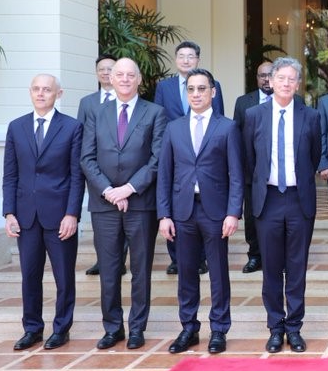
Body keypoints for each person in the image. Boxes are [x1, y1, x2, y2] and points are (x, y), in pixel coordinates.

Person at [81, 58, 167, 350]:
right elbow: (87, 157)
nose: (125, 79)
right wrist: (109, 191)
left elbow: (157, 160)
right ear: (111, 79)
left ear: (139, 79)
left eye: (131, 75)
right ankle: (113, 327)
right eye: (120, 74)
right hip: (104, 204)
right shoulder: (96, 112)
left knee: (140, 269)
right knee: (109, 268)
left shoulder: (155, 112)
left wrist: (129, 189)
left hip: (140, 203)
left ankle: (137, 328)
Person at [157, 69, 244, 354]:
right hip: (182, 211)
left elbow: (236, 174)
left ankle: (219, 329)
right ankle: (188, 328)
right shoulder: (174, 128)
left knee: (218, 273)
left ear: (213, 92)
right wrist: (164, 215)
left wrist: (233, 212)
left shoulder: (227, 127)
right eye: (191, 89)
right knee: (186, 273)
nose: (196, 94)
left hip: (215, 211)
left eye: (202, 89)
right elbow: (165, 175)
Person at [243, 57, 321, 353]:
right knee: (272, 268)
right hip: (269, 199)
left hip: (299, 200)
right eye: (281, 78)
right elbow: (250, 160)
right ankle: (275, 327)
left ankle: (295, 327)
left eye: (292, 79)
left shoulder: (310, 116)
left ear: (298, 84)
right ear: (271, 81)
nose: (287, 83)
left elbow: (313, 157)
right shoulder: (253, 115)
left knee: (297, 267)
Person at [3, 74, 84, 351]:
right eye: (36, 89)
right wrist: (9, 212)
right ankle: (33, 329)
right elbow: (10, 174)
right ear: (30, 92)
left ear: (58, 94)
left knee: (64, 277)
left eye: (47, 90)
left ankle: (61, 329)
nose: (41, 94)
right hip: (26, 215)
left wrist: (72, 213)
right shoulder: (16, 127)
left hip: (59, 215)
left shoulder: (72, 128)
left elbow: (77, 175)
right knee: (30, 276)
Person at [154, 40, 225, 275]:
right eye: (181, 56)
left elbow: (219, 117)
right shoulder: (164, 87)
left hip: (206, 155)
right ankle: (177, 258)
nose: (186, 60)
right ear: (176, 60)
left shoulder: (212, 85)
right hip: (176, 151)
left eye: (190, 56)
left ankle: (202, 258)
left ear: (197, 59)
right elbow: (159, 119)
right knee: (179, 206)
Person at [78, 54, 127, 277]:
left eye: (110, 69)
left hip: (126, 176)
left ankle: (121, 261)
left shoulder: (129, 99)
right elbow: (82, 138)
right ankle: (103, 260)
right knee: (103, 225)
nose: (106, 73)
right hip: (98, 173)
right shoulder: (88, 103)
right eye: (102, 69)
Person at [232, 60, 274, 273]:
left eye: (270, 74)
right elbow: (236, 137)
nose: (266, 79)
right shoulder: (243, 102)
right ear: (256, 78)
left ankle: (277, 258)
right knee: (252, 216)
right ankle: (255, 256)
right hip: (251, 171)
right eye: (262, 75)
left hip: (278, 172)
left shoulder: (292, 100)